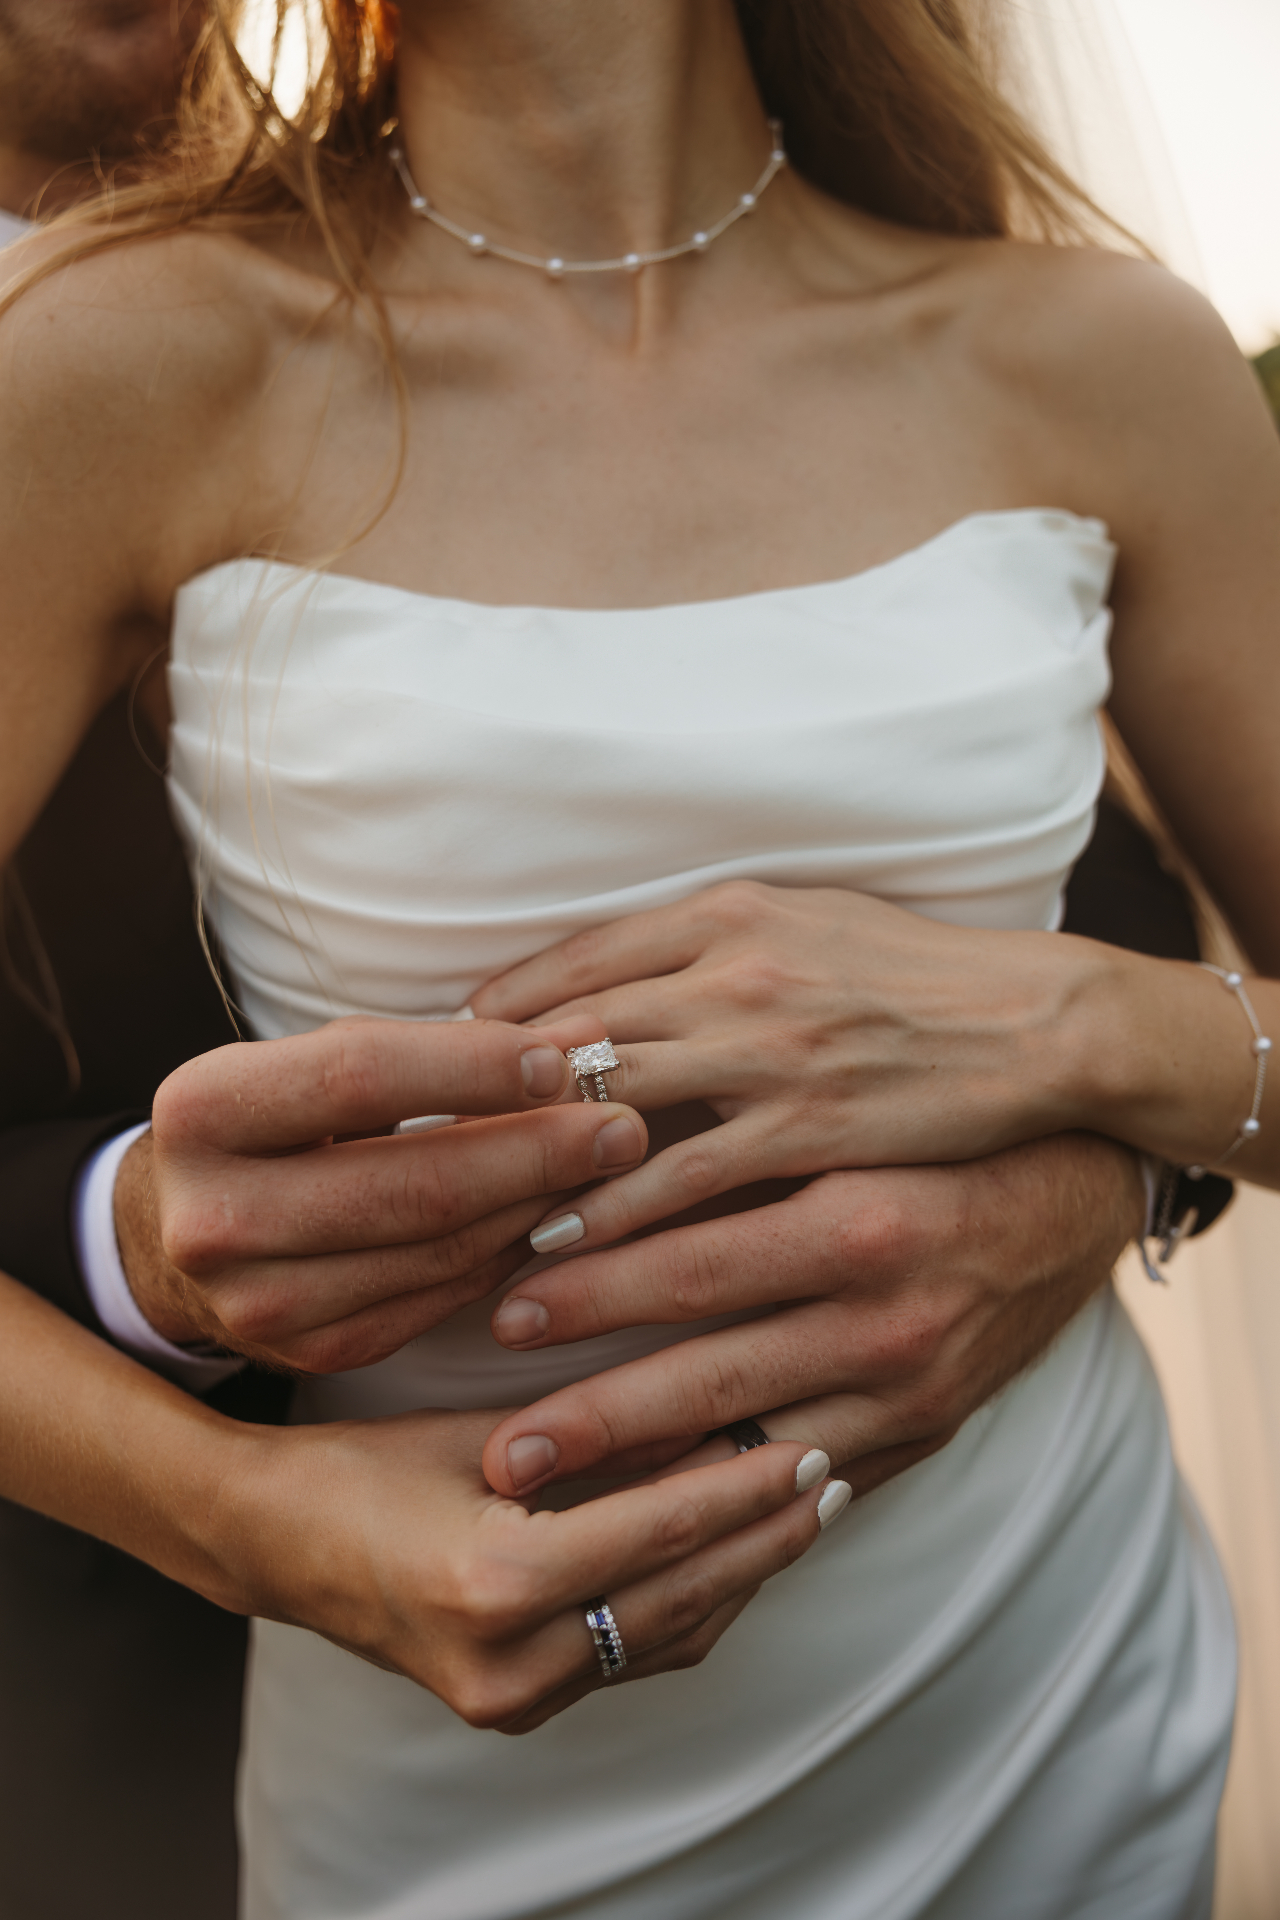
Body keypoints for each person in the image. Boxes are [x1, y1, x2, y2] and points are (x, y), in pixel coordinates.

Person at [2, 1, 1277, 1915]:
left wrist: (1088, 1026)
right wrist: (259, 1528)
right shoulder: (131, 361)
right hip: (448, 1782)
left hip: (1051, 1704)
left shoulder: (1103, 361)